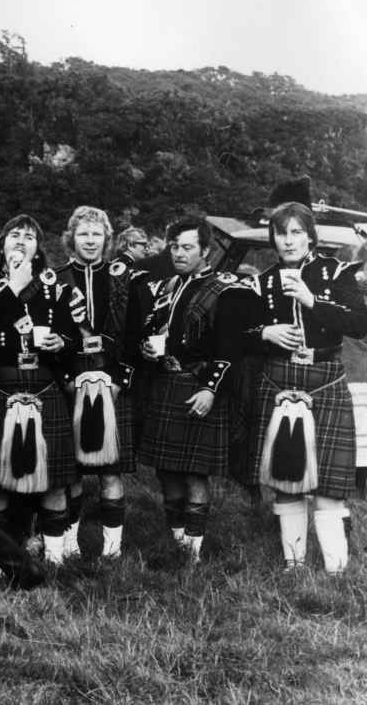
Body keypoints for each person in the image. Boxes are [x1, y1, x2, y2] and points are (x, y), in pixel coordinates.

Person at [245, 203, 367, 572]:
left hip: (325, 377)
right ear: (274, 239)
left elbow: (361, 324)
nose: (289, 240)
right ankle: (293, 566)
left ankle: (336, 571)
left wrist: (312, 301)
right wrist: (264, 333)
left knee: (330, 484)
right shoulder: (261, 280)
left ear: (311, 236)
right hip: (278, 378)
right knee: (286, 478)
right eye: (282, 233)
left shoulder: (337, 272)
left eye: (297, 232)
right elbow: (237, 337)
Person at [132, 217, 249, 562]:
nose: (179, 253)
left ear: (205, 250)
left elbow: (230, 349)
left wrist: (211, 389)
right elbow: (156, 330)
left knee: (195, 473)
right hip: (166, 383)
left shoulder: (224, 288)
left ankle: (193, 553)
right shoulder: (169, 285)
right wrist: (147, 349)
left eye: (187, 247)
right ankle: (178, 541)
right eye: (174, 246)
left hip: (199, 385)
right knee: (166, 470)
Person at [0, 214, 80, 566]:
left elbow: (74, 341)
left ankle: (55, 562)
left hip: (43, 386)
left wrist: (60, 343)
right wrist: (12, 285)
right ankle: (0, 563)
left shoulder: (55, 289)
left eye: (29, 236)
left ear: (39, 248)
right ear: (2, 245)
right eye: (14, 235)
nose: (21, 241)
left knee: (54, 481)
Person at [56, 207, 136, 559]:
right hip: (70, 383)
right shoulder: (55, 280)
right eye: (83, 233)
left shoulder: (124, 278)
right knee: (70, 471)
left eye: (97, 234)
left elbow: (136, 333)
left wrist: (120, 379)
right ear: (71, 238)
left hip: (112, 379)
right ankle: (70, 544)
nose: (90, 240)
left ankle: (113, 550)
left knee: (110, 471)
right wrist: (66, 380)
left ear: (108, 239)